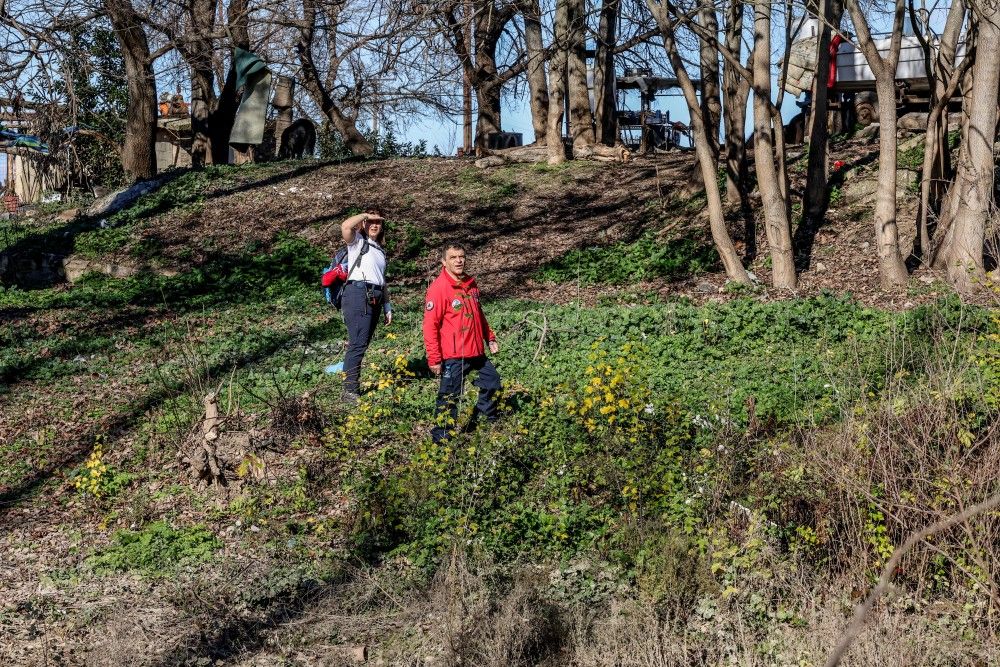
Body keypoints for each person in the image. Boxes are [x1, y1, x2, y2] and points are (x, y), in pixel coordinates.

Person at [422, 242, 501, 442]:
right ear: (443, 261)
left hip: (476, 351)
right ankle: (442, 439)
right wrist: (434, 358)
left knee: (493, 382)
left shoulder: (470, 284)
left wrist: (489, 337)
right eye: (453, 257)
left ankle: (484, 420)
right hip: (454, 355)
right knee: (449, 397)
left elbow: (478, 314)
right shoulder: (439, 289)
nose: (459, 261)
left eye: (461, 257)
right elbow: (430, 326)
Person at [340, 209, 393, 401]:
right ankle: (349, 392)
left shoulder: (380, 251)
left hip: (376, 296)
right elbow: (345, 226)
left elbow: (382, 280)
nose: (374, 225)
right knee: (357, 344)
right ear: (363, 224)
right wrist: (364, 215)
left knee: (362, 343)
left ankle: (351, 386)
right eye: (371, 222)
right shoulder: (357, 242)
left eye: (378, 222)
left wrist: (387, 306)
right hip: (358, 293)